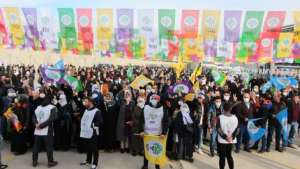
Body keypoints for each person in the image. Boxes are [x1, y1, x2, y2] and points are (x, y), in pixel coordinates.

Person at [139, 94, 168, 169]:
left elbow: (165, 121)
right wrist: (141, 130)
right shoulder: (145, 108)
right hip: (147, 133)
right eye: (153, 98)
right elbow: (141, 120)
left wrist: (164, 133)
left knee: (156, 150)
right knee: (147, 150)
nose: (154, 100)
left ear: (158, 100)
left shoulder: (163, 108)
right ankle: (145, 165)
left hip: (158, 134)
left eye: (156, 98)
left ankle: (157, 166)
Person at [32, 90, 58, 167]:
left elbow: (33, 117)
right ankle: (50, 162)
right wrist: (41, 125)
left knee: (36, 147)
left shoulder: (38, 107)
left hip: (37, 130)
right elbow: (52, 119)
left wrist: (36, 124)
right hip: (47, 131)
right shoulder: (52, 107)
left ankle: (34, 161)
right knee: (49, 147)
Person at [80, 96, 103, 169]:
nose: (84, 103)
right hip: (85, 132)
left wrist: (93, 125)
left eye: (86, 101)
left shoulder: (97, 111)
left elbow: (100, 121)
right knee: (88, 147)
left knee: (94, 148)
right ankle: (88, 160)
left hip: (93, 132)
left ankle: (95, 163)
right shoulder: (86, 110)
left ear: (90, 102)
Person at [217, 103, 238, 169]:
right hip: (231, 140)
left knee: (222, 156)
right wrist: (232, 137)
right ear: (231, 109)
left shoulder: (219, 117)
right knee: (229, 155)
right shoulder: (235, 117)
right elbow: (237, 129)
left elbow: (218, 129)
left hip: (222, 140)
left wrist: (225, 137)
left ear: (223, 108)